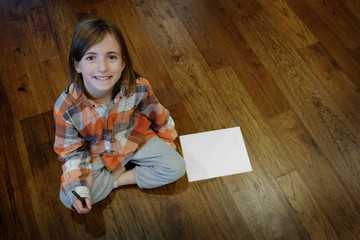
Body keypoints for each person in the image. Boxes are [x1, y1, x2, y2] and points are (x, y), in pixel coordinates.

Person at [54, 18, 186, 214]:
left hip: (133, 138)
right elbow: (71, 151)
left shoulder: (138, 87)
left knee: (176, 167)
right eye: (91, 58)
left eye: (111, 57)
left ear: (123, 62)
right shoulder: (66, 108)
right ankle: (117, 175)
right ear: (77, 65)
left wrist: (167, 140)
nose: (102, 68)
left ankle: (116, 180)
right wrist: (80, 189)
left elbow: (156, 113)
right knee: (69, 198)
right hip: (96, 153)